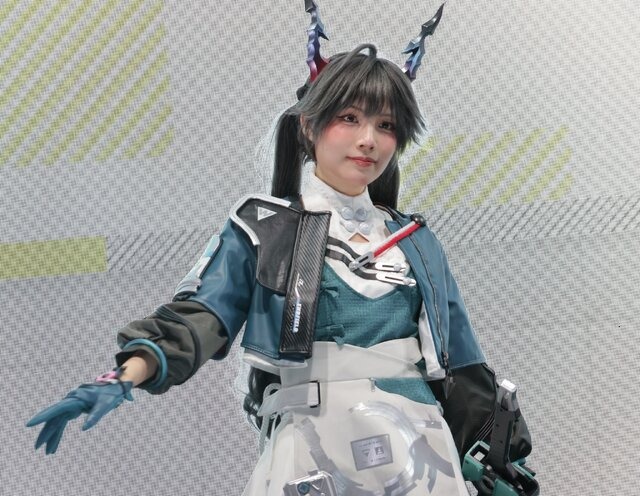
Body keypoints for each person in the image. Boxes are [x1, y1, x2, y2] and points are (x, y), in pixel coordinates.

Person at [28, 6, 532, 495]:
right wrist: (122, 377)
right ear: (309, 126)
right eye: (349, 118)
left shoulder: (416, 241)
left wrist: (503, 462)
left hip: (418, 450)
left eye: (386, 125)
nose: (368, 140)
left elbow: (464, 364)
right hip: (313, 445)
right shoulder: (264, 228)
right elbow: (201, 318)